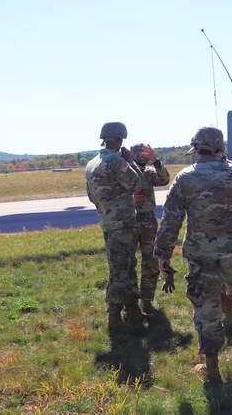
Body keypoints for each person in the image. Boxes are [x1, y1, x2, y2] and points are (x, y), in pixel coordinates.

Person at [154, 125, 232, 382]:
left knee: (207, 307)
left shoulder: (185, 178)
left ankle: (213, 367)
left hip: (200, 254)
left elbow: (171, 219)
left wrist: (163, 255)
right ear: (220, 148)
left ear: (195, 147)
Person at [85, 122, 146, 332]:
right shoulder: (116, 161)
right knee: (120, 269)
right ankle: (114, 315)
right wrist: (131, 163)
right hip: (123, 223)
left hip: (108, 222)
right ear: (119, 140)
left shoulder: (92, 163)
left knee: (126, 265)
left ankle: (133, 309)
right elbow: (137, 184)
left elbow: (92, 196)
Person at [130, 142, 170, 314]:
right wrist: (132, 200)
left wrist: (156, 161)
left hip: (148, 222)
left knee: (151, 262)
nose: (140, 166)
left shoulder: (149, 173)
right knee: (127, 263)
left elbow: (165, 179)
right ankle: (130, 304)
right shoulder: (123, 172)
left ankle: (146, 300)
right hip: (129, 222)